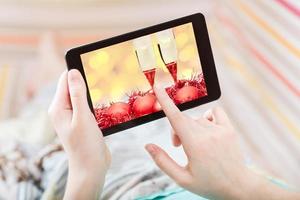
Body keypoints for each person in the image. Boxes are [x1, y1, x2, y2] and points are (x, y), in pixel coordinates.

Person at [48, 69, 300, 200]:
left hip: (122, 184)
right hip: (221, 168)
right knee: (155, 121)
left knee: (57, 122)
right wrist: (241, 183)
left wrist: (86, 173)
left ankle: (44, 80)